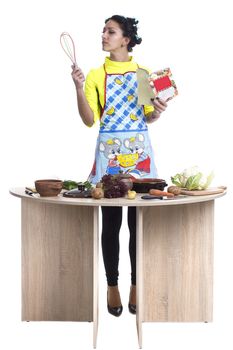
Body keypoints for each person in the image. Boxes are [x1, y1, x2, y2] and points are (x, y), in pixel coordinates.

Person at [71, 15, 168, 317]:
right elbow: (89, 120)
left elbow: (148, 116)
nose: (103, 35)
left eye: (110, 32)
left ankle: (136, 284)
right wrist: (78, 88)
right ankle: (112, 285)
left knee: (137, 222)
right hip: (109, 156)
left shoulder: (142, 74)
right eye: (103, 31)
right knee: (111, 223)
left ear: (126, 39)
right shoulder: (96, 75)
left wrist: (159, 111)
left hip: (140, 154)